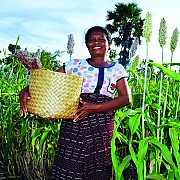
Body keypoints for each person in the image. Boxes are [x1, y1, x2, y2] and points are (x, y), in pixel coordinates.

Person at [19, 26, 131, 180]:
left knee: (98, 165)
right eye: (91, 40)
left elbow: (126, 98)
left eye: (101, 39)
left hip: (102, 125)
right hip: (74, 121)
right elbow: (48, 82)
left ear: (109, 43)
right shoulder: (74, 65)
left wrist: (95, 108)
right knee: (69, 164)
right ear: (86, 45)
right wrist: (26, 90)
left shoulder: (117, 69)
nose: (96, 42)